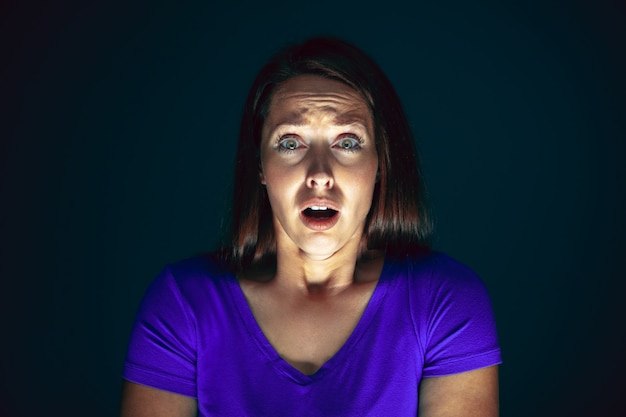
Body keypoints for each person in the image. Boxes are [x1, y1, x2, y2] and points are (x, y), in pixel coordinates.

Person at [120, 37, 502, 416]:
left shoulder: (446, 301)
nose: (320, 174)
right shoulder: (183, 302)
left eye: (348, 141)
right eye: (290, 143)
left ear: (381, 163)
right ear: (260, 167)